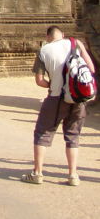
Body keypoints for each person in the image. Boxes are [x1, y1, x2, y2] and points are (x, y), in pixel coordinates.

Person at [21, 25, 95, 186]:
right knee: (73, 136)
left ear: (48, 37)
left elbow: (40, 81)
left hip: (56, 97)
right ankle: (73, 175)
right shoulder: (76, 43)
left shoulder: (44, 51)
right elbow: (91, 68)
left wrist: (53, 84)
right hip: (78, 98)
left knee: (42, 133)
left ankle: (38, 173)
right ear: (63, 34)